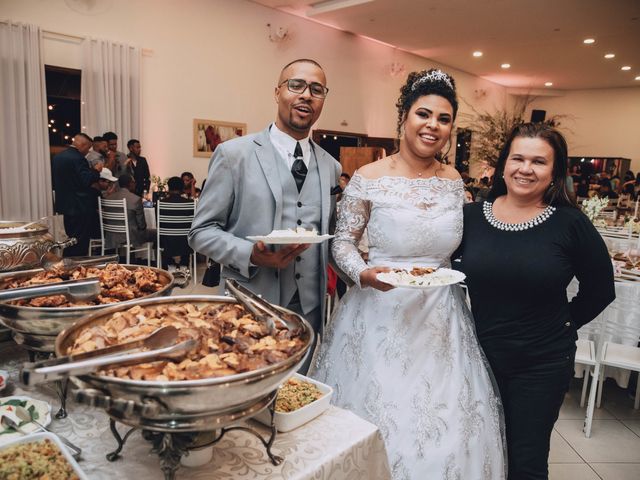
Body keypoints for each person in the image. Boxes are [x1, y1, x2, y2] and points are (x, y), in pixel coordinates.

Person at [311, 69, 505, 478]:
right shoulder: (369, 178)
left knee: (445, 418)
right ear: (404, 117)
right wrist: (362, 274)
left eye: (444, 118)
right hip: (379, 310)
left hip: (442, 316)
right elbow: (341, 243)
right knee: (377, 411)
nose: (433, 125)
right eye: (424, 113)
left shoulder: (454, 182)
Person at [456, 123, 615, 480]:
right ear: (503, 163)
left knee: (525, 461)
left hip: (541, 363)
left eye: (539, 162)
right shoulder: (471, 218)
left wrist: (563, 325)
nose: (525, 169)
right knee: (476, 451)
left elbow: (602, 288)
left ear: (555, 172)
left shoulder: (570, 223)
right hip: (477, 357)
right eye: (518, 158)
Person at [189, 58, 341, 374]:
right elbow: (201, 231)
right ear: (277, 92)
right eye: (296, 85)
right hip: (251, 300)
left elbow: (332, 236)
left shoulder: (331, 167)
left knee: (300, 389)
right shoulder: (234, 155)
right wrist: (252, 255)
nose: (306, 95)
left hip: (309, 308)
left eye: (317, 89)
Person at [51, 133, 101, 257]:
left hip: (65, 205)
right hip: (80, 206)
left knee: (71, 238)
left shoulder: (58, 157)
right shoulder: (78, 158)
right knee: (80, 241)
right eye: (88, 148)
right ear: (83, 145)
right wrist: (96, 171)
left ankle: (67, 264)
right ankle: (76, 267)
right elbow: (86, 180)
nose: (88, 152)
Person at [104, 174, 155, 253]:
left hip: (111, 235)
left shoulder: (108, 198)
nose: (135, 184)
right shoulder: (136, 199)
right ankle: (156, 262)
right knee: (156, 233)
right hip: (130, 237)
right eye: (134, 182)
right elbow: (142, 225)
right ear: (130, 183)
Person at [159, 176, 194, 273]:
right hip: (185, 239)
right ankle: (184, 264)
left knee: (162, 233)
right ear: (182, 188)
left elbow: (159, 223)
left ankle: (169, 264)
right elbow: (193, 223)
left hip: (166, 239)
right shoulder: (190, 203)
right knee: (188, 234)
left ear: (169, 188)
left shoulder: (161, 203)